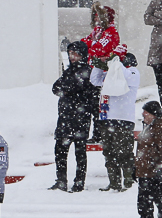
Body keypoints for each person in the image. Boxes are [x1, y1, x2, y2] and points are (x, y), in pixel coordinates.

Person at [50, 42, 98, 191]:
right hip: (66, 118)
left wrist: (68, 91)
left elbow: (81, 91)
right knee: (61, 151)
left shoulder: (87, 72)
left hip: (80, 118)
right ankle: (62, 180)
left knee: (79, 152)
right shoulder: (69, 71)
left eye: (75, 54)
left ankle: (78, 181)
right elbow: (55, 88)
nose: (72, 57)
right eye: (70, 53)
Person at [96, 51, 140, 191]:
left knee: (125, 152)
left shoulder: (133, 73)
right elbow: (94, 80)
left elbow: (125, 75)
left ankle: (129, 182)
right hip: (107, 118)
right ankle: (114, 182)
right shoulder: (113, 74)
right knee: (109, 153)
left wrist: (115, 60)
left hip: (124, 119)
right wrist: (99, 63)